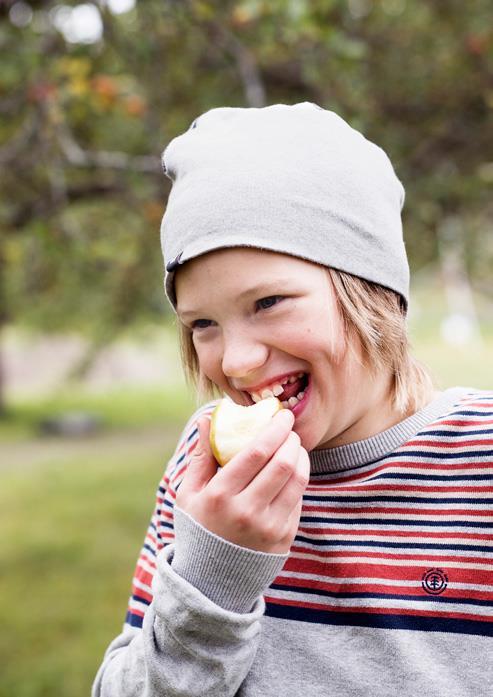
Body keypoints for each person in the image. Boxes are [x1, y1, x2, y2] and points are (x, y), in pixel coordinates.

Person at [92, 103, 493, 697]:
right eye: (203, 323)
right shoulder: (201, 469)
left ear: (370, 290)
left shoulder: (480, 462)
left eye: (269, 302)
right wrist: (213, 579)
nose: (236, 361)